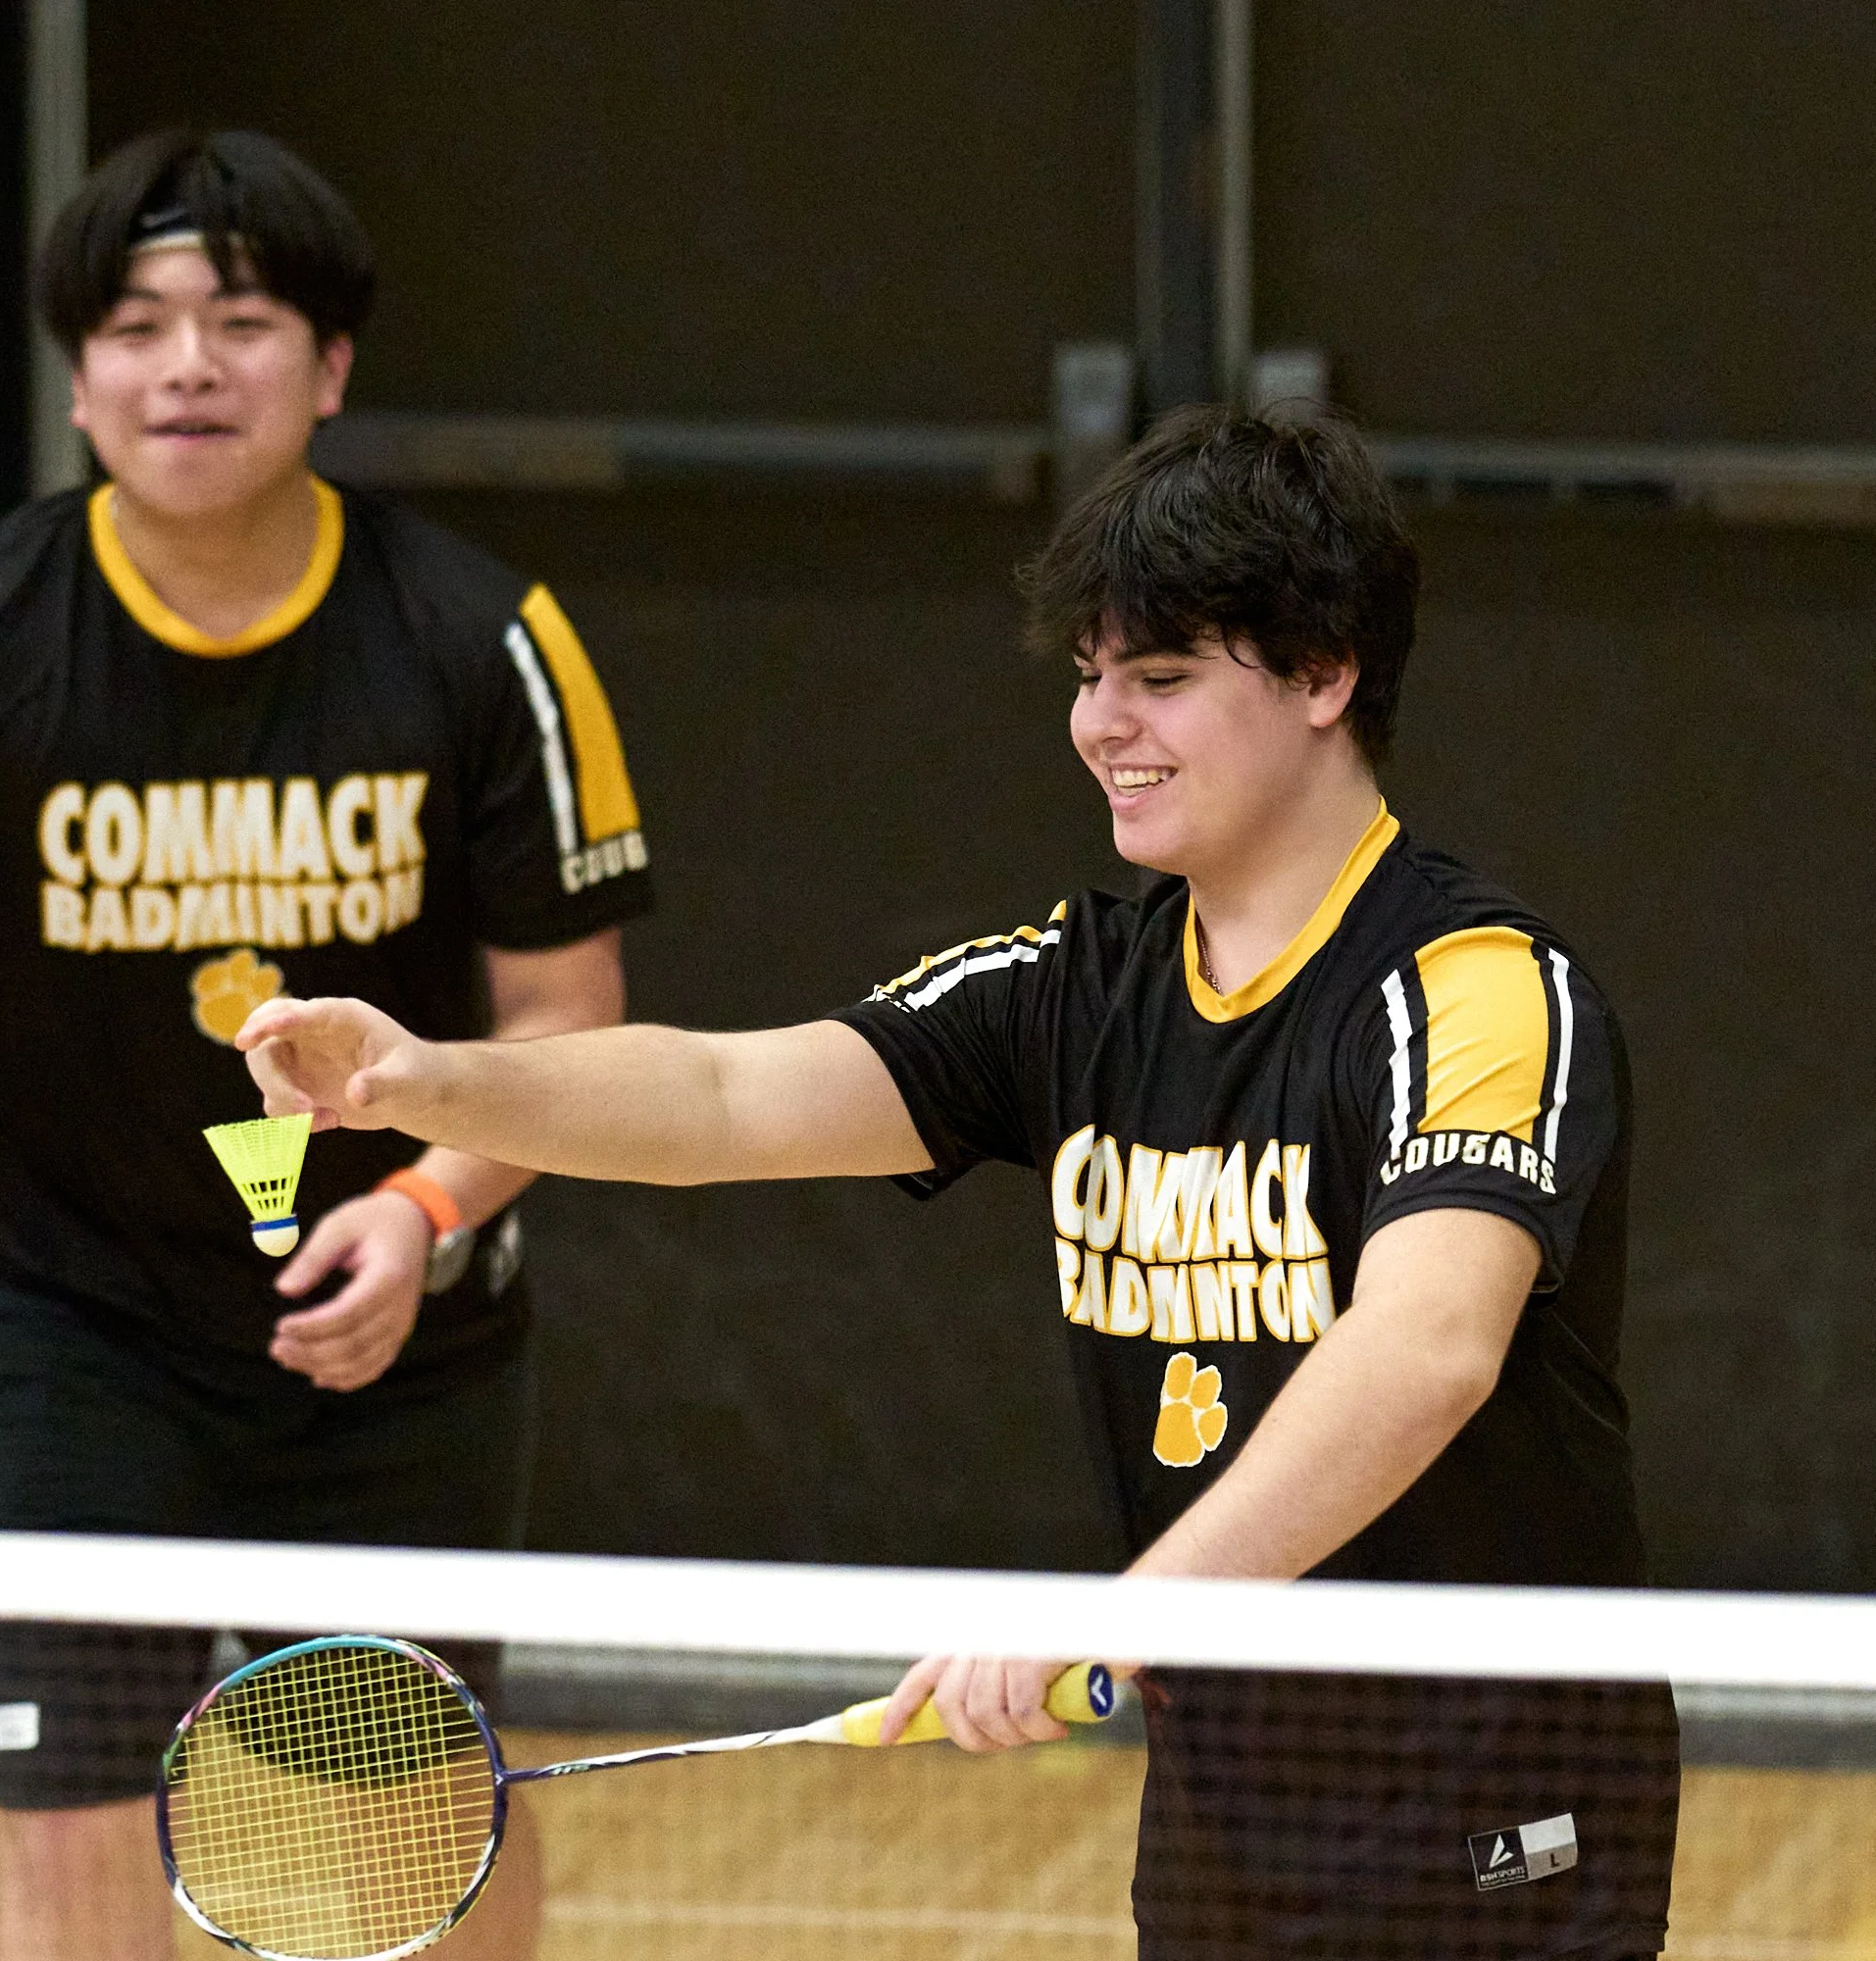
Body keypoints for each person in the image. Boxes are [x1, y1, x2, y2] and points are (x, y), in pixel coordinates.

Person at [238, 408, 1681, 1961]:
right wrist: (425, 1079)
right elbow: (723, 1098)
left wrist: (1123, 1615)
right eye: (1088, 676)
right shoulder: (1074, 986)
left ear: (1325, 674)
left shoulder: (1472, 990)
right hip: (1232, 1809)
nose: (1102, 724)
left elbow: (1425, 1348)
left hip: (1495, 1806)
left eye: (1161, 677)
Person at [0, 128, 650, 1960]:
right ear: (78, 379)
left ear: (332, 366)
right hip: (59, 1338)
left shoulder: (482, 643)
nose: (186, 367)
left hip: (395, 1344)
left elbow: (565, 1017)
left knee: (421, 1835)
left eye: (242, 322)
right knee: (71, 1844)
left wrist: (428, 1208)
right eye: (133, 328)